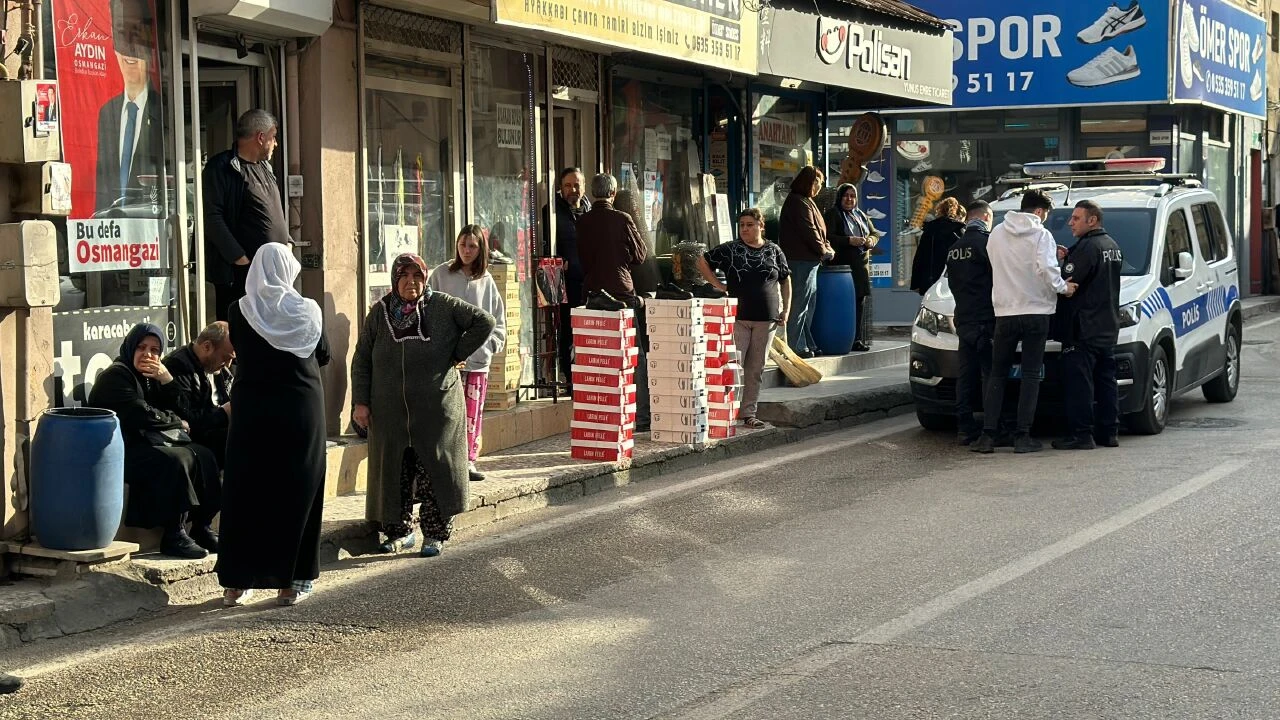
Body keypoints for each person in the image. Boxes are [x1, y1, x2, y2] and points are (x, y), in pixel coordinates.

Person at [351, 253, 496, 558]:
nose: (411, 283)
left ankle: (434, 534)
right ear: (394, 279)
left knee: (435, 471)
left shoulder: (442, 305)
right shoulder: (379, 313)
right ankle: (399, 533)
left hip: (436, 410)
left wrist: (457, 351)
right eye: (404, 276)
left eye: (417, 276)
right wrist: (360, 403)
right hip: (390, 413)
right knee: (394, 473)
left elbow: (485, 321)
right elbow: (362, 358)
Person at [216, 244, 330, 607]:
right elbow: (323, 352)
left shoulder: (239, 309)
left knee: (247, 490)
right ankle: (292, 581)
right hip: (300, 409)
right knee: (299, 491)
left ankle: (237, 582)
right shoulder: (307, 310)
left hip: (254, 412)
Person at [87, 324, 221, 559]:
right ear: (131, 348)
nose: (148, 355)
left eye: (155, 350)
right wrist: (176, 423)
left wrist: (167, 379)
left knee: (203, 453)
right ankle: (174, 534)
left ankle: (201, 526)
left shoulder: (150, 377)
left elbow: (182, 409)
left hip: (145, 444)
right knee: (177, 460)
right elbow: (142, 413)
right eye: (142, 348)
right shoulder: (115, 377)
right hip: (118, 452)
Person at [972, 190, 1077, 454]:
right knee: (1030, 375)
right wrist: (1064, 288)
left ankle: (988, 436)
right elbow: (1045, 270)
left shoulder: (996, 232)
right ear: (1040, 212)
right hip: (1036, 313)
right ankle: (1023, 436)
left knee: (997, 374)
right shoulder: (1042, 235)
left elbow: (998, 263)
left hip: (1005, 312)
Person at [696, 208, 792, 428]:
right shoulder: (731, 249)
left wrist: (786, 310)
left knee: (755, 369)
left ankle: (748, 413)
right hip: (738, 317)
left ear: (761, 226)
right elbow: (702, 261)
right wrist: (718, 285)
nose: (745, 229)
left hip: (766, 319)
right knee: (731, 364)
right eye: (742, 225)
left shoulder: (774, 250)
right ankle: (723, 410)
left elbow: (786, 281)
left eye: (750, 224)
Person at [428, 226, 508, 482]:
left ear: (481, 249)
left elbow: (498, 323)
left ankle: (468, 462)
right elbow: (427, 312)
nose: (466, 250)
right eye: (463, 244)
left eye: (472, 246)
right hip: (446, 363)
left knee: (472, 414)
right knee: (445, 414)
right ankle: (444, 462)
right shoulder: (441, 275)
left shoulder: (486, 280)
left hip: (476, 363)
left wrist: (487, 348)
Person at [576, 172, 651, 429]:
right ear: (613, 193)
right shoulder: (622, 219)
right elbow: (640, 255)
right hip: (621, 292)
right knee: (634, 354)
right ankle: (641, 416)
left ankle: (604, 413)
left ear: (593, 192)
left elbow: (583, 258)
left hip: (593, 293)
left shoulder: (582, 221)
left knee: (599, 355)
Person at [203, 109, 290, 321]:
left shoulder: (265, 168)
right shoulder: (222, 168)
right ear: (261, 138)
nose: (275, 143)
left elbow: (273, 212)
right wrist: (239, 258)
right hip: (240, 275)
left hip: (271, 274)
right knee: (237, 332)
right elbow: (212, 217)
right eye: (273, 137)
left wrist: (287, 242)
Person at [1053, 200, 1124, 450]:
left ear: (1092, 220)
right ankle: (1109, 432)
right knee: (1106, 381)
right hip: (1107, 325)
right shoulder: (1111, 245)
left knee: (1079, 383)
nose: (1070, 223)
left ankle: (1081, 435)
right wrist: (1069, 255)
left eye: (1076, 218)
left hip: (1083, 327)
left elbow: (1067, 283)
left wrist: (1063, 265)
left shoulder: (1088, 247)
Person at [94, 0, 164, 214]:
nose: (130, 44)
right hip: (112, 237)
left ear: (151, 41)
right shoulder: (107, 112)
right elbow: (102, 184)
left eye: (137, 32)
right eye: (122, 32)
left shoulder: (164, 110)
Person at [946, 201, 997, 445]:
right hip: (985, 318)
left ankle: (965, 428)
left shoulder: (955, 247)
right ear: (986, 217)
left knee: (966, 376)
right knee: (990, 374)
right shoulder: (987, 244)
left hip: (963, 319)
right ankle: (992, 427)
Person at [161, 321, 235, 468]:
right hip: (192, 438)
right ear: (207, 347)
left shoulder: (218, 368)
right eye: (226, 357)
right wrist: (223, 413)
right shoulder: (178, 366)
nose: (228, 364)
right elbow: (188, 419)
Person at [778, 166, 833, 358]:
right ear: (809, 182)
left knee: (808, 305)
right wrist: (824, 250)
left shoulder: (806, 201)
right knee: (799, 306)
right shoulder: (797, 202)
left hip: (809, 261)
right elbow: (809, 231)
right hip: (799, 261)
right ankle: (795, 346)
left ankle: (805, 342)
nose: (819, 187)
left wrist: (826, 247)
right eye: (818, 182)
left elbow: (819, 230)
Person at [542, 168, 590, 385]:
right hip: (564, 283)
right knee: (568, 332)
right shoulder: (550, 212)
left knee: (590, 331)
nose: (573, 190)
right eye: (568, 185)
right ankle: (570, 378)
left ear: (584, 187)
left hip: (590, 283)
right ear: (560, 188)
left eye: (577, 185)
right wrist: (560, 260)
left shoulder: (590, 210)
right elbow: (542, 246)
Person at [823, 183, 878, 351]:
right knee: (843, 304)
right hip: (841, 268)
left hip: (860, 267)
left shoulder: (860, 215)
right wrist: (849, 240)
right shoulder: (833, 214)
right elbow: (828, 236)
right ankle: (843, 338)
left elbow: (874, 233)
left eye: (852, 196)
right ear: (840, 197)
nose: (849, 199)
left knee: (859, 303)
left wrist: (870, 241)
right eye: (846, 196)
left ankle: (856, 339)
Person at [911, 197, 965, 296]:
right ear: (955, 210)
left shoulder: (929, 230)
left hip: (930, 280)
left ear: (939, 210)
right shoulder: (958, 230)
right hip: (953, 280)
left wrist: (916, 284)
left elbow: (919, 258)